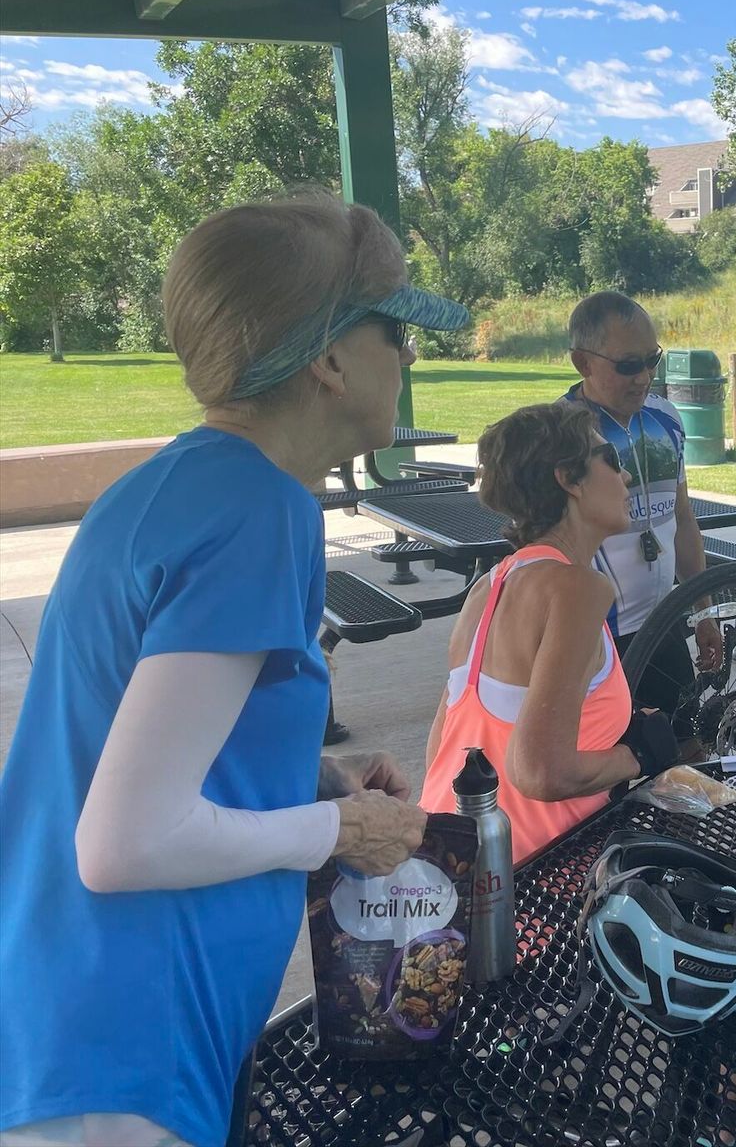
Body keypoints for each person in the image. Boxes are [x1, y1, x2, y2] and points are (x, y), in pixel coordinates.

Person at [0, 191, 452, 1147]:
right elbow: (125, 842)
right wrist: (339, 828)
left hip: (78, 1025)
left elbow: (147, 739)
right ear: (329, 359)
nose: (409, 356)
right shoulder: (258, 510)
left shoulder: (174, 486)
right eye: (394, 330)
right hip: (127, 1056)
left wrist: (307, 779)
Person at [419, 403, 679, 862]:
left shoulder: (488, 587)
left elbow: (443, 751)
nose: (625, 477)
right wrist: (638, 753)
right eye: (612, 460)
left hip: (444, 862)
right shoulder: (576, 589)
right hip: (531, 879)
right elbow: (541, 772)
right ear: (569, 479)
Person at [560, 292, 722, 736]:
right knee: (616, 767)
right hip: (597, 640)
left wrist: (703, 611)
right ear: (582, 362)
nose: (645, 377)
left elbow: (682, 518)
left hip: (663, 623)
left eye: (653, 360)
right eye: (629, 365)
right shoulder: (560, 434)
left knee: (684, 756)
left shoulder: (666, 417)